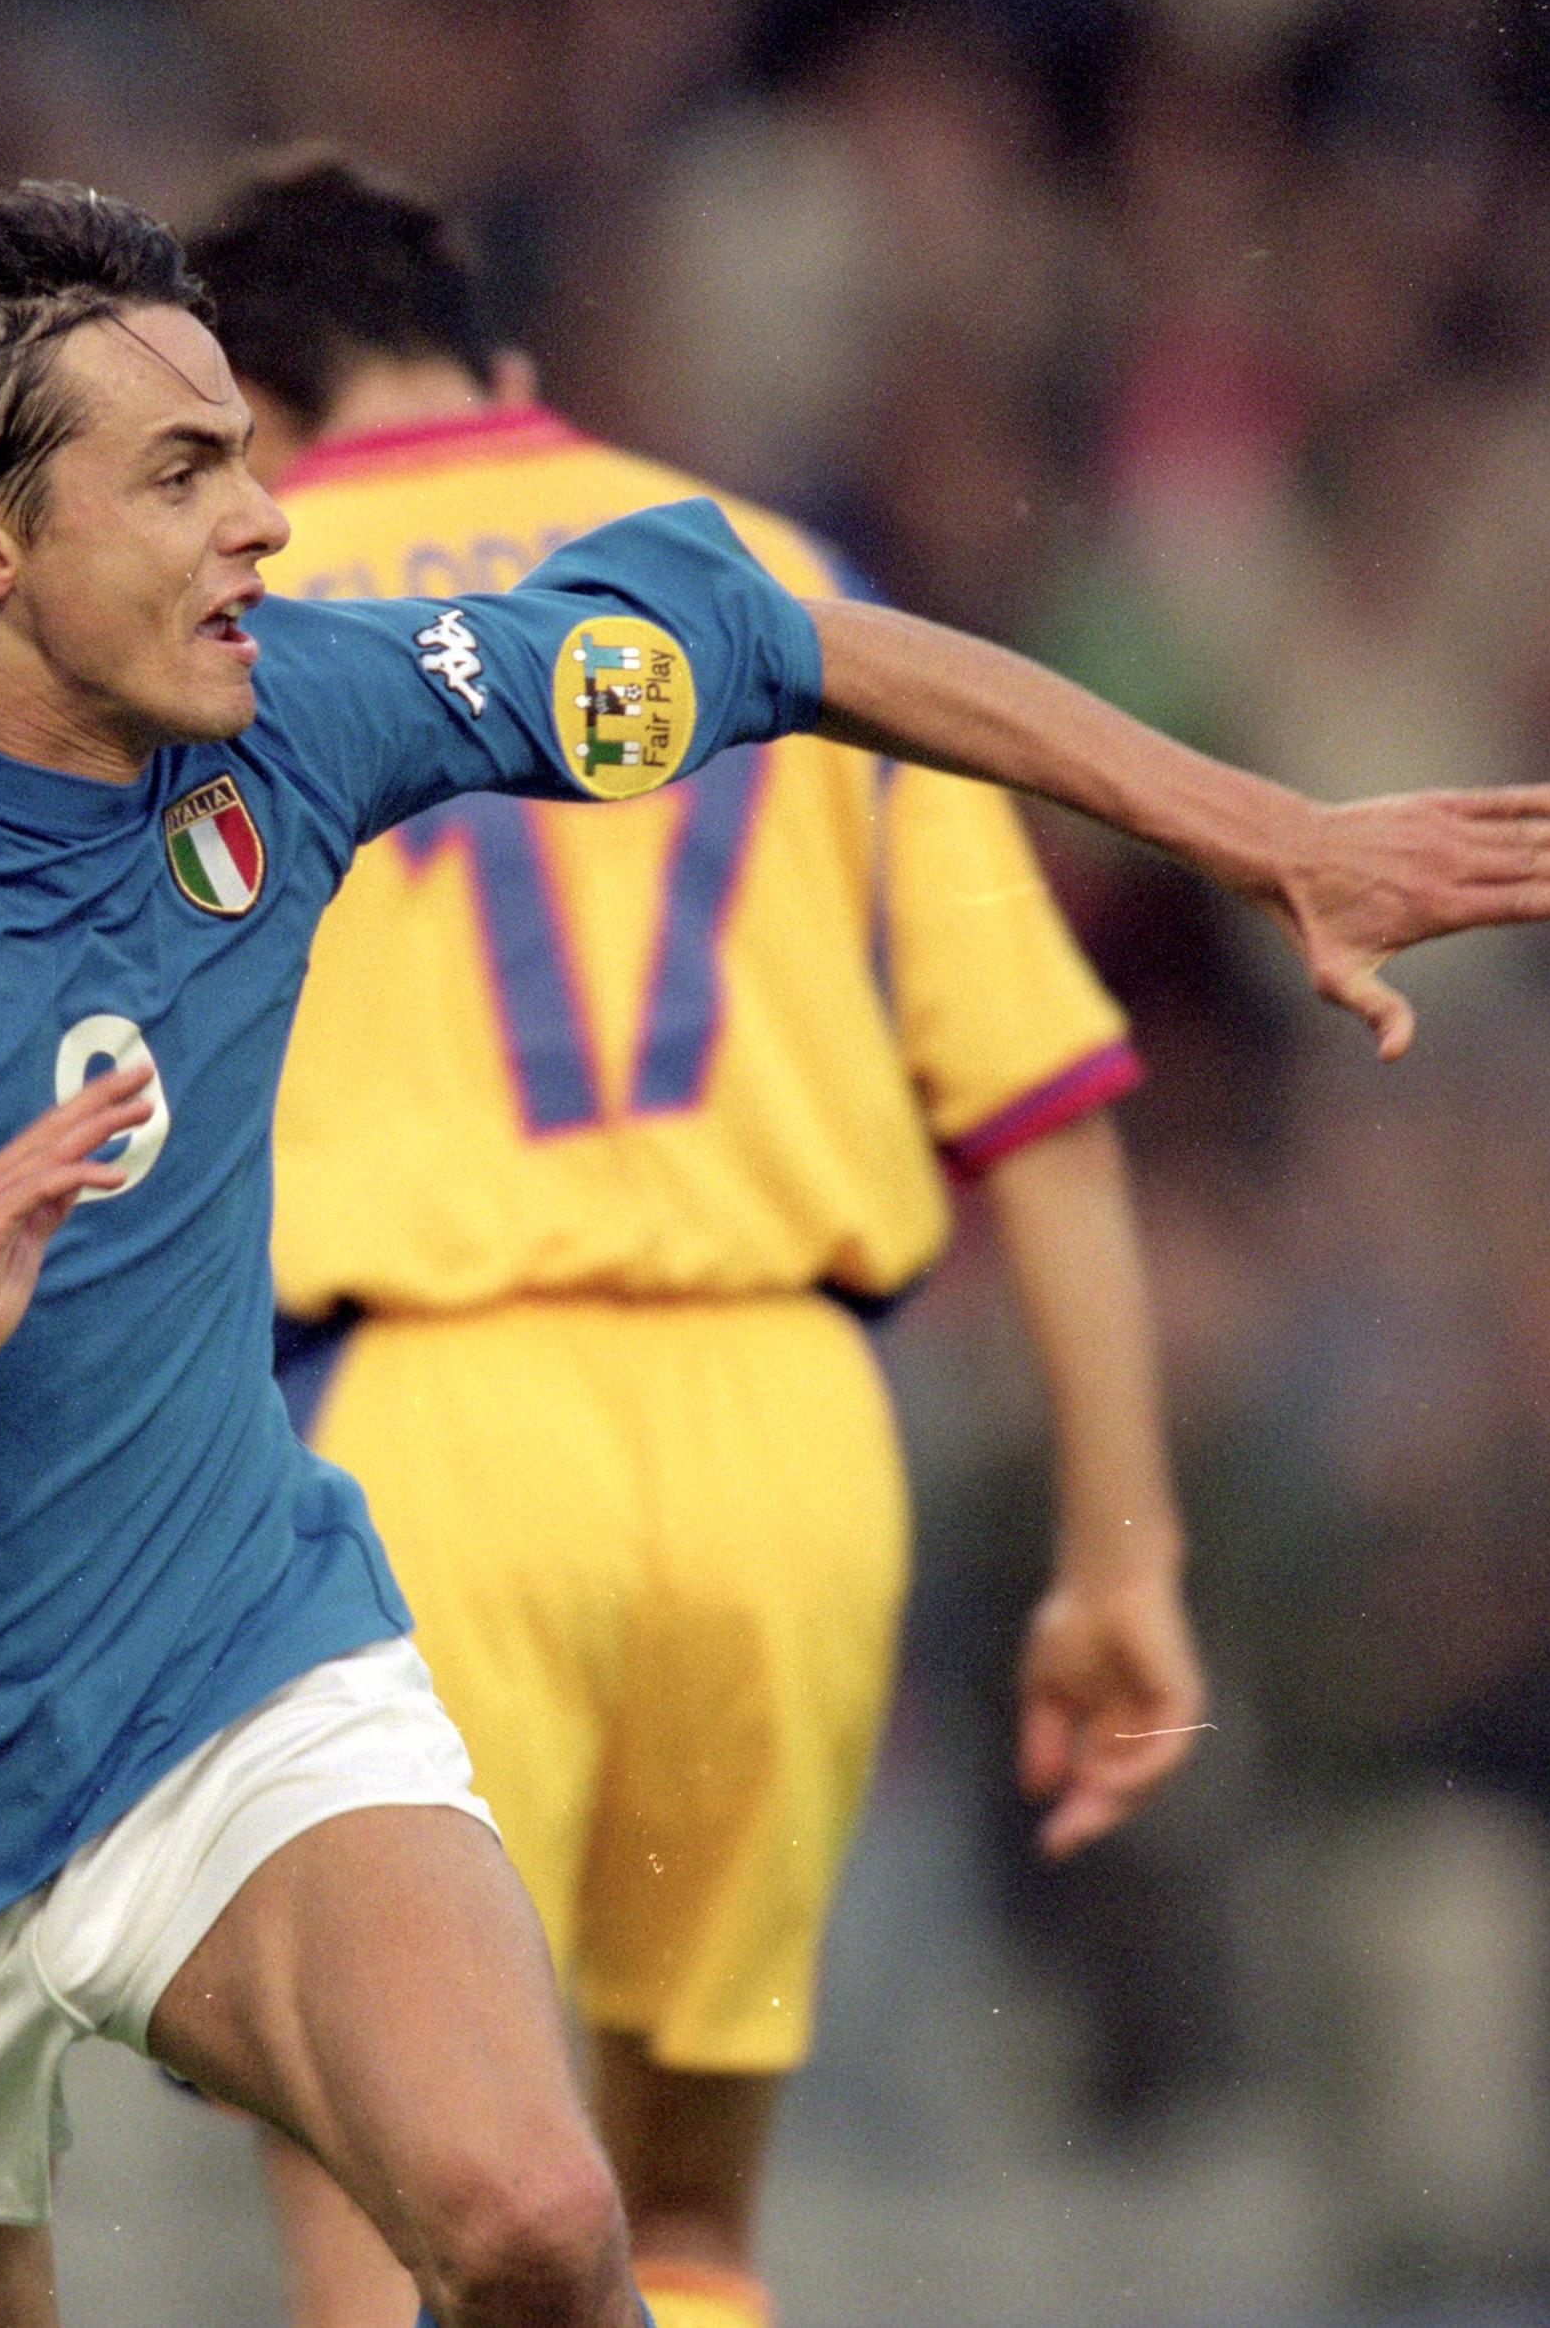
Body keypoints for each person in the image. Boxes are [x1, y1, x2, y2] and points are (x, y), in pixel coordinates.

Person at [0, 181, 1550, 2328]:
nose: (262, 517)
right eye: (179, 477)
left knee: (544, 2223)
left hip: (220, 1672)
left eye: (246, 459)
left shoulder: (311, 715)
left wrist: (1273, 835)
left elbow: (784, 645)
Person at [171, 154, 1206, 2328]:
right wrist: (1120, 1559)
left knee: (391, 2217)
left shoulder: (222, 628)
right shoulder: (784, 578)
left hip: (412, 1436)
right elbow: (1047, 1113)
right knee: (692, 2228)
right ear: (508, 372)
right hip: (792, 1441)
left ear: (237, 417)